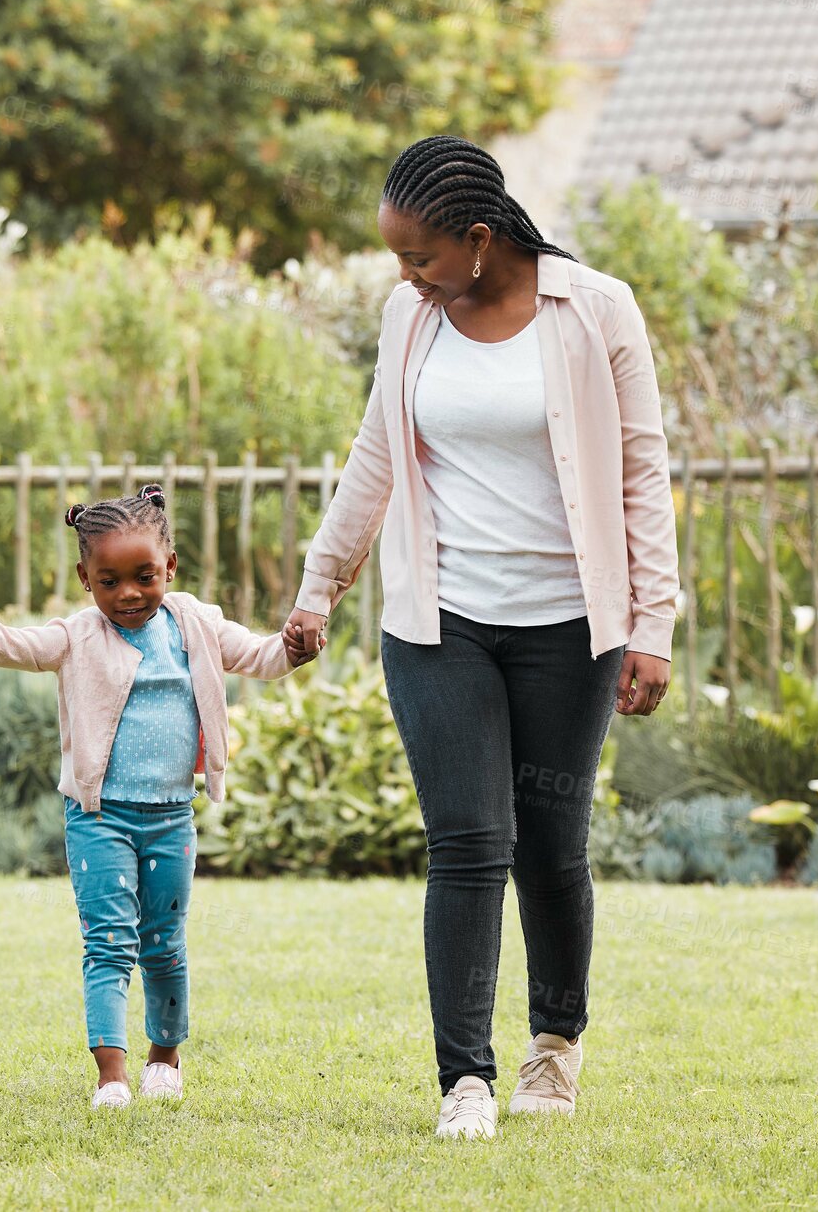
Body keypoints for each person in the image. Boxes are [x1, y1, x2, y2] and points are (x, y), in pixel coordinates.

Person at [283, 136, 679, 1139]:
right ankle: (465, 1075)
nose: (404, 277)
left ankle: (554, 1048)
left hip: (567, 625)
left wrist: (651, 623)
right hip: (437, 620)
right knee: (468, 838)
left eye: (418, 256)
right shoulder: (409, 317)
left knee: (550, 843)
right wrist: (320, 584)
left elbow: (640, 471)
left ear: (477, 237)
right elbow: (376, 451)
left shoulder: (595, 309)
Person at [0, 485, 302, 1108]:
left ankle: (165, 1057)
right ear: (86, 578)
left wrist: (293, 647)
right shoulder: (78, 636)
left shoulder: (197, 624)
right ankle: (112, 1075)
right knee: (108, 941)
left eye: (143, 577)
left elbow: (260, 655)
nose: (128, 594)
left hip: (171, 819)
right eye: (109, 582)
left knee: (164, 939)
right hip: (99, 819)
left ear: (170, 568)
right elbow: (14, 646)